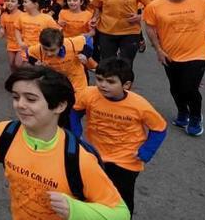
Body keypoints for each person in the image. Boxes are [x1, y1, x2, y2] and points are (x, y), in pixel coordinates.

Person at [0, 66, 130, 220]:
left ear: (59, 106)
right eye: (16, 97)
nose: (20, 104)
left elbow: (121, 213)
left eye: (31, 99)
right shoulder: (5, 132)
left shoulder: (80, 160)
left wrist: (76, 210)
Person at [71, 58, 167, 215]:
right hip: (95, 155)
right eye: (99, 79)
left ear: (126, 85)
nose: (102, 85)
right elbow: (75, 111)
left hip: (127, 160)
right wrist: (75, 133)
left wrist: (147, 151)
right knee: (92, 192)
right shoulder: (89, 94)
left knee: (121, 198)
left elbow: (159, 128)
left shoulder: (139, 105)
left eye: (110, 82)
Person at [142, 0, 205, 137]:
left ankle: (196, 117)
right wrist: (159, 50)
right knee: (175, 88)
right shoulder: (155, 6)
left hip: (197, 53)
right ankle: (182, 112)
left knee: (189, 88)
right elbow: (151, 28)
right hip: (170, 54)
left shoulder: (201, 1)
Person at [90, 0, 150, 68]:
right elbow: (97, 8)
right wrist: (95, 19)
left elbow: (152, 7)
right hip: (106, 32)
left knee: (126, 64)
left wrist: (141, 16)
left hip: (129, 32)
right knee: (108, 64)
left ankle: (125, 84)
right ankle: (111, 83)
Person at [28, 28, 93, 94]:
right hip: (55, 77)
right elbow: (29, 53)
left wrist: (85, 54)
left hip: (75, 75)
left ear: (61, 46)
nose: (48, 53)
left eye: (52, 50)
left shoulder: (71, 44)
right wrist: (34, 62)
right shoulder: (37, 49)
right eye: (45, 49)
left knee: (80, 97)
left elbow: (88, 39)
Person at [0, 0, 23, 72]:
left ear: (18, 4)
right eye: (8, 1)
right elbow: (2, 28)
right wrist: (1, 31)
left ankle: (21, 78)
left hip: (21, 43)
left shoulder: (22, 15)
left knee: (18, 64)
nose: (9, 3)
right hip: (10, 43)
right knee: (12, 64)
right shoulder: (3, 15)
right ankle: (14, 79)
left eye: (13, 1)